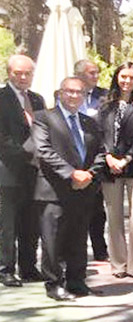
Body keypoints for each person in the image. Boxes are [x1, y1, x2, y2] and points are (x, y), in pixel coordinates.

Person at [32, 77, 105, 301]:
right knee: (53, 241)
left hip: (83, 190)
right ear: (60, 93)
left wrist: (89, 174)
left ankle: (77, 281)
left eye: (79, 92)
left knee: (78, 238)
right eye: (70, 91)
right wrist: (72, 173)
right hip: (54, 190)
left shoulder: (89, 122)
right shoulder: (43, 118)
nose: (74, 96)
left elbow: (101, 152)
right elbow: (44, 151)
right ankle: (54, 285)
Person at [97, 62, 133, 279]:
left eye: (131, 77)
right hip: (110, 167)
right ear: (116, 78)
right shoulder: (105, 106)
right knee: (114, 217)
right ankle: (118, 264)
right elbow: (100, 135)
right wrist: (109, 157)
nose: (127, 81)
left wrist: (126, 159)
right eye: (123, 77)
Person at [0, 54, 44, 287]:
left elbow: (43, 131)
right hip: (8, 171)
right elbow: (2, 139)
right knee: (8, 224)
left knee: (30, 222)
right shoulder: (1, 98)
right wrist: (28, 155)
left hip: (35, 173)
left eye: (28, 73)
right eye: (19, 73)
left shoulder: (37, 100)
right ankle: (6, 268)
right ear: (9, 72)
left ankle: (28, 267)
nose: (24, 77)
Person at [75, 58, 109, 261]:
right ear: (79, 75)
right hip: (73, 157)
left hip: (96, 156)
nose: (96, 76)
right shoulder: (68, 93)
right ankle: (70, 249)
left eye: (97, 73)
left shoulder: (104, 96)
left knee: (97, 209)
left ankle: (100, 249)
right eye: (91, 73)